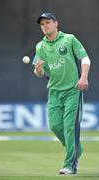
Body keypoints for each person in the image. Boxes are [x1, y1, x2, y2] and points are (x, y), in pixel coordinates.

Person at [33, 12, 91, 175]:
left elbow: (85, 59)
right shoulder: (40, 46)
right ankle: (76, 148)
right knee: (55, 126)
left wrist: (83, 77)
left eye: (47, 22)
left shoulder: (69, 39)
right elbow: (39, 72)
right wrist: (38, 70)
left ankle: (70, 165)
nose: (45, 26)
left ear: (56, 23)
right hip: (54, 91)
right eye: (42, 24)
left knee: (69, 127)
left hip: (73, 90)